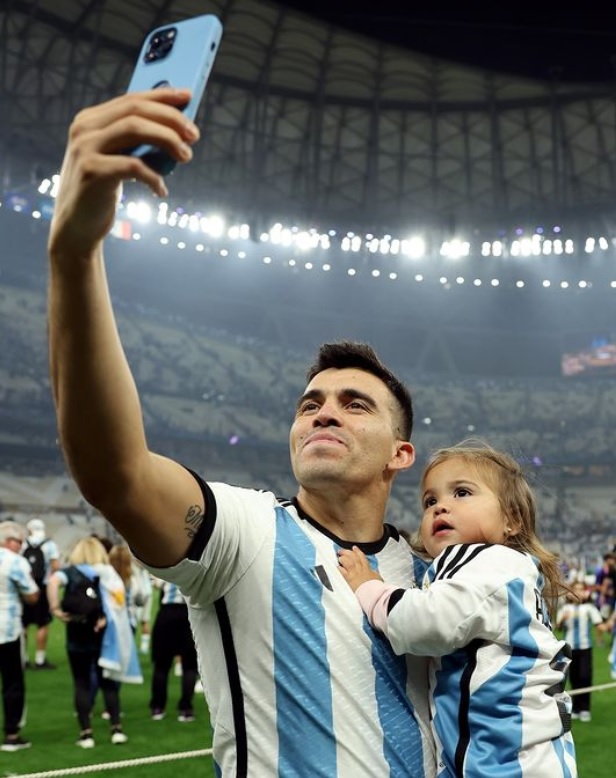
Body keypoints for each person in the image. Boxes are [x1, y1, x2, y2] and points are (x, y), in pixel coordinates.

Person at [47, 88, 435, 775]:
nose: (323, 411)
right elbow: (118, 474)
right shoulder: (247, 535)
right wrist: (76, 255)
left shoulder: (432, 572)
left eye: (355, 404)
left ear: (400, 455)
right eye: (309, 402)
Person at [338, 441, 578, 777]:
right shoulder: (496, 570)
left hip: (512, 765)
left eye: (462, 493)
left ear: (512, 519)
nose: (441, 507)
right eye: (430, 501)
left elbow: (423, 623)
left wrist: (370, 587)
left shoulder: (492, 562)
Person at [47, 536, 140, 748]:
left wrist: (55, 609)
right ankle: (116, 728)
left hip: (77, 635)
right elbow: (120, 603)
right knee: (108, 684)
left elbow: (53, 581)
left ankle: (86, 733)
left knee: (81, 683)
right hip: (103, 636)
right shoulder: (107, 573)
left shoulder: (71, 572)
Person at [0, 521, 38, 752]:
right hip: (8, 629)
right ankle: (11, 735)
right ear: (8, 540)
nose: (21, 546)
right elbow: (32, 594)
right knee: (13, 682)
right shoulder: (15, 562)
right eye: (19, 542)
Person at [149, 580, 198, 722]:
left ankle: (158, 707)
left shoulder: (168, 565)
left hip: (167, 613)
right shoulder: (191, 566)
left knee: (161, 665)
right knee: (189, 665)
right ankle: (186, 709)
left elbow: (158, 585)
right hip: (187, 614)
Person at [556, 580, 604, 722]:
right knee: (574, 678)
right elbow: (558, 628)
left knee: (585, 676)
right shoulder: (565, 609)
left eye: (581, 589)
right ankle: (576, 708)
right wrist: (562, 621)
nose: (578, 593)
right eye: (575, 590)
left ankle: (585, 708)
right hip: (569, 649)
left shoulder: (589, 608)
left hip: (584, 648)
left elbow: (599, 625)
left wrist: (607, 626)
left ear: (585, 592)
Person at [21, 517, 60, 669]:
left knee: (23, 623)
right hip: (42, 587)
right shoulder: (49, 544)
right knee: (42, 623)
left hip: (25, 587)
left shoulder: (23, 543)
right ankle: (40, 659)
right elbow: (55, 565)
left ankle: (23, 658)